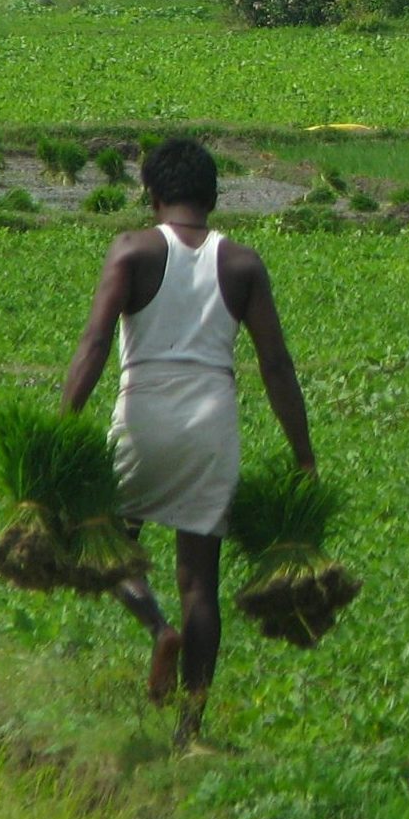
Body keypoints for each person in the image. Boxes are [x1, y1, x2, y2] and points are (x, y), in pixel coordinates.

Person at [60, 138, 317, 751]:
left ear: (152, 195)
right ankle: (190, 729)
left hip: (144, 412)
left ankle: (156, 629)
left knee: (101, 543)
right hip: (211, 423)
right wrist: (304, 455)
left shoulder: (132, 250)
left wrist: (64, 424)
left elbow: (95, 344)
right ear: (213, 197)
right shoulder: (243, 264)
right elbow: (276, 366)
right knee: (201, 580)